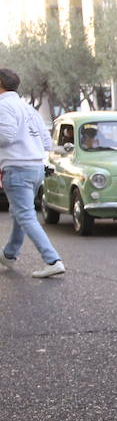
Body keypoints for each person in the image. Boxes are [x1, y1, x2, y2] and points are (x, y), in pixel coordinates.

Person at [0, 67, 65, 278]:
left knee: (25, 215)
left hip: (17, 169)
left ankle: (52, 260)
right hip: (36, 168)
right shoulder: (28, 108)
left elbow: (6, 137)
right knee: (21, 212)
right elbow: (46, 142)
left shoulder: (3, 106)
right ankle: (9, 254)